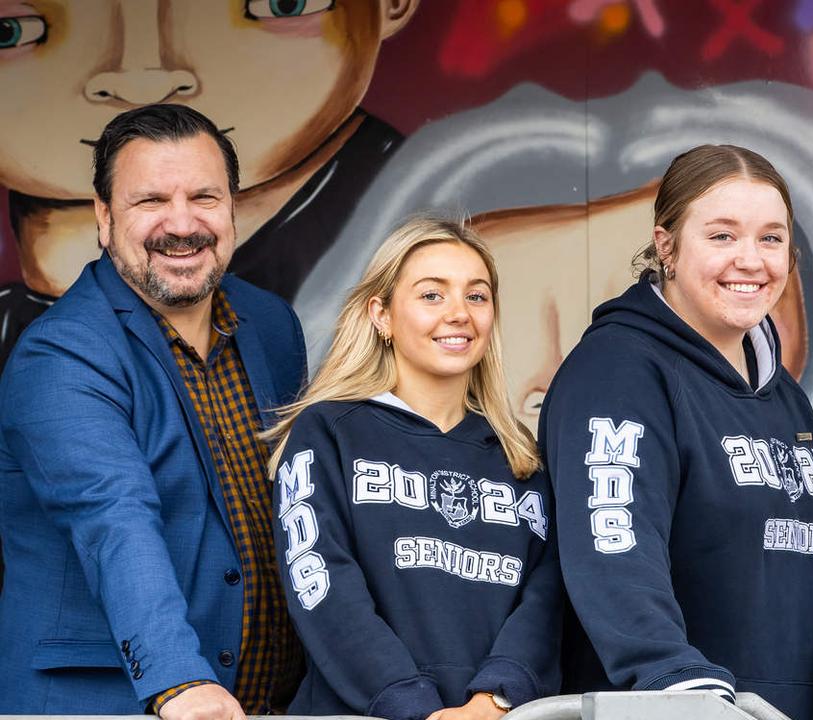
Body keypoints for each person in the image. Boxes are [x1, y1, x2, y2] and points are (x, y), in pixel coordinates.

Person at [0, 104, 307, 716]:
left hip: (269, 704)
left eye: (204, 197)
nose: (183, 223)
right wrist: (176, 680)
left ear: (232, 208)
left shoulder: (272, 324)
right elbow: (114, 517)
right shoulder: (60, 354)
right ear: (104, 217)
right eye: (150, 202)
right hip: (114, 703)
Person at [539, 144, 813, 719]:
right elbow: (612, 542)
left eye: (771, 238)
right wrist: (677, 683)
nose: (751, 260)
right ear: (666, 245)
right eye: (722, 236)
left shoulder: (789, 401)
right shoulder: (616, 372)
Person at [0, 0, 417, 369]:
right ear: (103, 214)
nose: (144, 79)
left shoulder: (272, 320)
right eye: (15, 31)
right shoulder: (52, 351)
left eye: (280, 5)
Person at [265, 217, 561, 720]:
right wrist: (411, 705)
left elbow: (548, 598)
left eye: (476, 295)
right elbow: (321, 583)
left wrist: (493, 700)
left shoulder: (522, 457)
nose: (458, 315)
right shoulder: (331, 432)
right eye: (431, 295)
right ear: (381, 313)